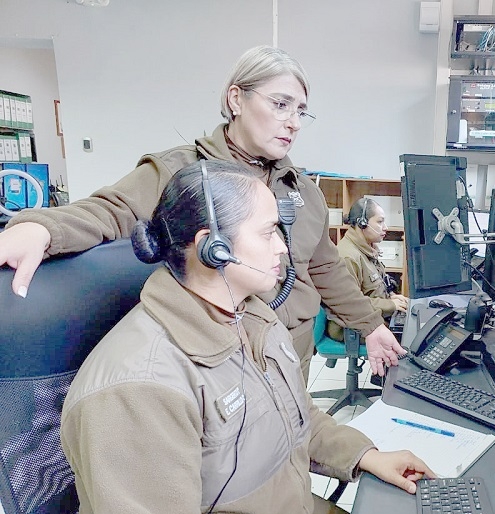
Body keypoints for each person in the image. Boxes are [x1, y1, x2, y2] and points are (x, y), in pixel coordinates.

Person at [61, 160, 432, 514]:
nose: (284, 248)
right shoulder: (137, 388)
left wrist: (365, 455)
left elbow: (297, 415)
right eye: (269, 231)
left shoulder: (252, 315)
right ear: (212, 247)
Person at [0, 45, 402, 382]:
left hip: (290, 354)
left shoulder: (304, 191)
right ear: (235, 99)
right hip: (218, 361)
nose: (293, 123)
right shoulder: (185, 172)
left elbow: (326, 270)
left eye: (301, 111)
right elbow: (112, 209)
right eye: (281, 105)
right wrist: (40, 227)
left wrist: (371, 325)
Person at [327, 196, 409, 341]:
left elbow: (373, 288)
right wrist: (390, 305)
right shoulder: (348, 257)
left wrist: (391, 297)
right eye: (379, 221)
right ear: (362, 223)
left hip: (370, 317)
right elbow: (351, 304)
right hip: (350, 327)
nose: (385, 228)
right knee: (411, 339)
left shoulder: (366, 249)